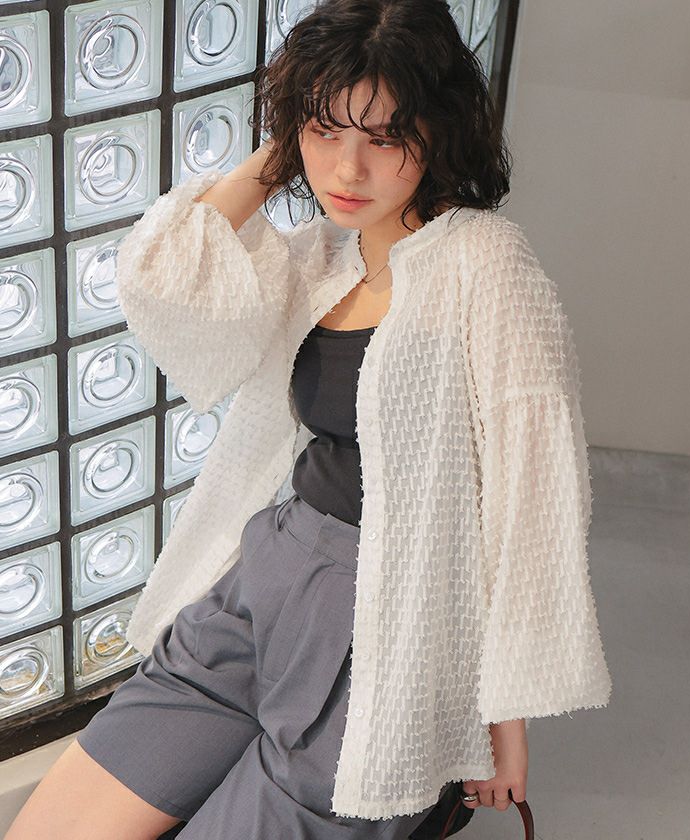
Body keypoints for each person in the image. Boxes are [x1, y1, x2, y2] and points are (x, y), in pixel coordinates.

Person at [5, 1, 612, 838]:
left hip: (395, 622)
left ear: (439, 133)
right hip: (268, 579)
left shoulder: (486, 263)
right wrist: (287, 145)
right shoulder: (319, 254)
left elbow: (533, 500)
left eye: (384, 137)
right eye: (326, 132)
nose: (348, 169)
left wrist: (503, 723)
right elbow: (162, 273)